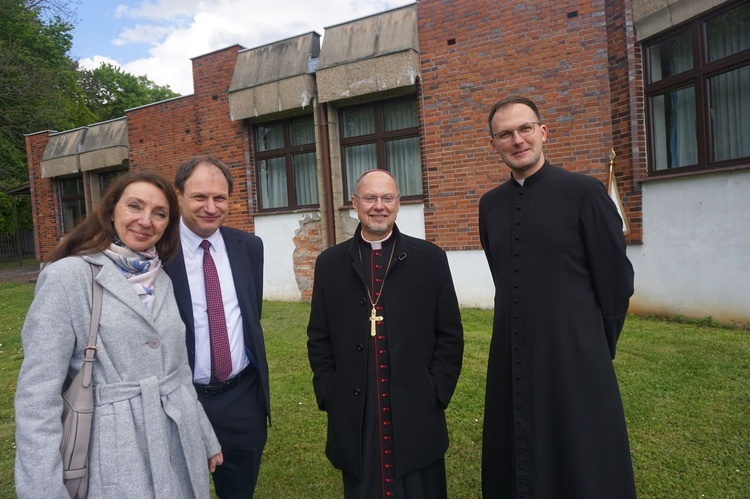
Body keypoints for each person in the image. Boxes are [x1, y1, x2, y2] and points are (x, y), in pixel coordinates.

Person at [15, 171, 222, 498]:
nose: (145, 220)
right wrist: (42, 489)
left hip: (177, 445)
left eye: (159, 214)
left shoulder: (161, 278)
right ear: (111, 211)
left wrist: (204, 436)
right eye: (135, 206)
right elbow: (37, 398)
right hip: (112, 453)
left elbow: (180, 372)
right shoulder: (68, 278)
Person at [478, 96, 636, 498]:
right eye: (505, 134)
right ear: (494, 144)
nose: (517, 140)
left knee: (580, 457)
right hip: (510, 352)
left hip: (575, 355)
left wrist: (593, 345)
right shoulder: (489, 205)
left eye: (525, 129)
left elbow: (616, 281)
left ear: (543, 132)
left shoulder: (584, 193)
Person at [307, 169, 464, 498]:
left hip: (416, 406)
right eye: (370, 198)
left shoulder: (430, 259)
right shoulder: (330, 263)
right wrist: (328, 391)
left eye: (387, 198)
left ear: (398, 203)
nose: (379, 206)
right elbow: (318, 337)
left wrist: (436, 390)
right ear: (354, 204)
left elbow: (450, 335)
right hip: (357, 409)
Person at [163, 154, 270, 498]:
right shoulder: (157, 251)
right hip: (178, 401)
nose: (211, 207)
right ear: (178, 196)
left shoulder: (249, 247)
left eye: (219, 198)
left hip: (241, 398)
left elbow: (252, 315)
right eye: (199, 197)